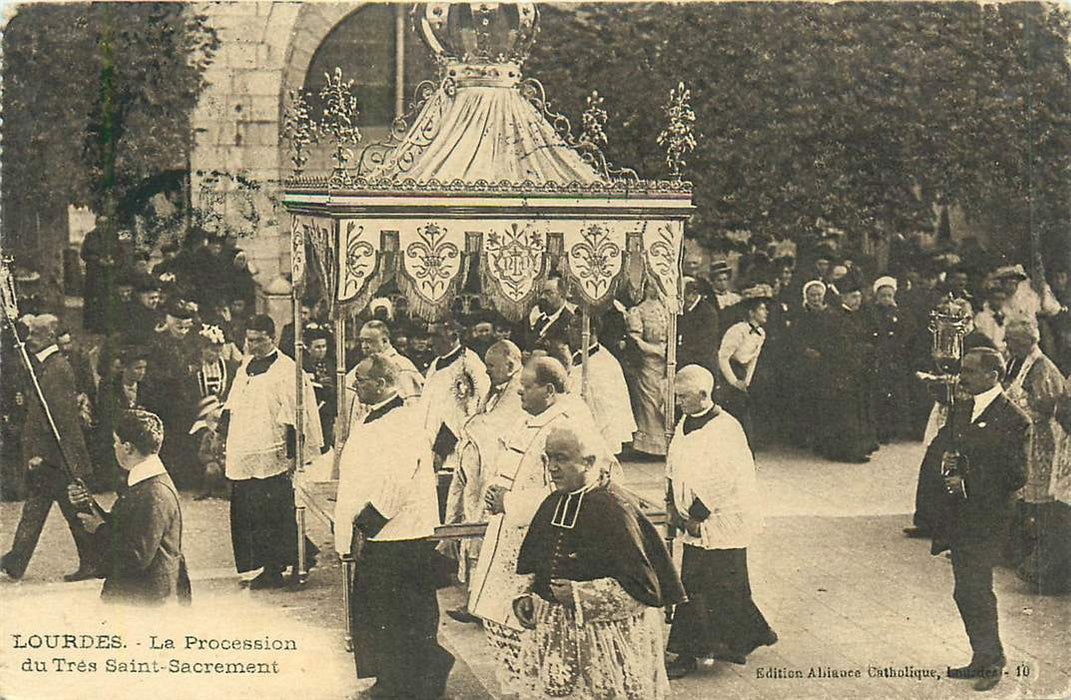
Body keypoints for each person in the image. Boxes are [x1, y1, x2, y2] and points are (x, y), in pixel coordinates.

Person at [468, 356, 610, 697]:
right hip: (505, 535)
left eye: (525, 388)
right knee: (501, 628)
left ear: (548, 390)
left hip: (537, 537)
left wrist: (511, 502)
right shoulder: (529, 418)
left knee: (527, 633)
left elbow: (571, 487)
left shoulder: (568, 424)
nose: (518, 393)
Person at [512, 423, 686, 700]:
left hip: (603, 638)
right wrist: (525, 594)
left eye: (562, 458)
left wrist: (581, 595)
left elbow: (642, 590)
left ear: (590, 461)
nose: (552, 467)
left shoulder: (615, 508)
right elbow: (534, 561)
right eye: (549, 458)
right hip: (554, 631)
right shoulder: (553, 502)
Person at [333, 355, 453, 699]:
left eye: (362, 380)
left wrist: (367, 523)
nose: (356, 386)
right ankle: (391, 680)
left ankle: (422, 676)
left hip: (400, 532)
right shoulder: (373, 417)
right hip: (382, 532)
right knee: (380, 611)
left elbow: (398, 480)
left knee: (405, 613)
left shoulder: (403, 421)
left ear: (384, 384)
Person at [919, 347, 1030, 691]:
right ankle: (982, 657)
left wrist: (967, 481)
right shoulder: (964, 406)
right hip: (961, 514)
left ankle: (991, 661)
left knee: (973, 589)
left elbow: (1016, 475)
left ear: (992, 376)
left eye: (968, 371)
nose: (961, 376)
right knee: (967, 590)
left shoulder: (1014, 419)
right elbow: (943, 444)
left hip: (987, 516)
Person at [664, 365, 777, 678]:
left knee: (701, 583)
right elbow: (674, 465)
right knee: (723, 584)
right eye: (677, 397)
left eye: (684, 397)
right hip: (694, 517)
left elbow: (723, 479)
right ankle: (745, 635)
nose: (679, 403)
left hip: (720, 519)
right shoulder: (685, 422)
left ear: (703, 395)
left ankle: (688, 652)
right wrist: (673, 505)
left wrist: (697, 516)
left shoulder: (726, 428)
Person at [222, 314, 323, 589]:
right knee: (247, 512)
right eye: (249, 340)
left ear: (272, 337)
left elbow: (294, 417)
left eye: (258, 340)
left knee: (273, 512)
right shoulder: (246, 367)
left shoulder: (286, 371)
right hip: (244, 451)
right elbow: (232, 405)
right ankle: (264, 567)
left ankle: (287, 563)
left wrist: (292, 455)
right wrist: (222, 435)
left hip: (273, 452)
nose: (252, 345)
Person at [1, 314, 100, 582]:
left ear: (48, 336)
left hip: (57, 458)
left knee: (68, 511)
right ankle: (16, 562)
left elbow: (56, 419)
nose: (29, 338)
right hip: (57, 458)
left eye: (33, 333)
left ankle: (93, 561)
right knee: (42, 509)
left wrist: (39, 454)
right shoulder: (49, 366)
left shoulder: (56, 370)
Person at [67, 409, 191, 606]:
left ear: (127, 448)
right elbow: (128, 529)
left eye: (115, 442)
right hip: (147, 595)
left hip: (146, 603)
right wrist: (89, 504)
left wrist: (99, 529)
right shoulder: (148, 482)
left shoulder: (153, 492)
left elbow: (135, 557)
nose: (113, 447)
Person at [443, 340, 527, 624]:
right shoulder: (496, 387)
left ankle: (483, 603)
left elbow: (496, 427)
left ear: (511, 365)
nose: (487, 372)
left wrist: (470, 430)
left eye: (491, 366)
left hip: (499, 475)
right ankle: (475, 598)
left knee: (488, 537)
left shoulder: (518, 392)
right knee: (474, 534)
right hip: (478, 469)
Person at [1001, 321, 1069, 590]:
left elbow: (1047, 408)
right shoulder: (1016, 362)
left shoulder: (1042, 368)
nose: (1007, 346)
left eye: (1012, 341)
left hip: (1041, 440)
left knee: (1039, 499)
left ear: (1027, 342)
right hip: (1023, 436)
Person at [816, 277, 878, 462]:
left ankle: (857, 447)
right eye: (853, 297)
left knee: (855, 408)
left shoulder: (857, 315)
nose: (857, 301)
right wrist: (861, 349)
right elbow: (837, 345)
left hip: (855, 368)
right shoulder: (836, 317)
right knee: (845, 411)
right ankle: (846, 451)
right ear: (843, 297)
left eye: (859, 297)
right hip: (841, 369)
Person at [421, 320, 490, 478]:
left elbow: (466, 413)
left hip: (450, 455)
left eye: (435, 336)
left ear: (453, 335)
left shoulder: (468, 365)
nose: (430, 342)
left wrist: (440, 451)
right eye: (428, 336)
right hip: (428, 448)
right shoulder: (436, 363)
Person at [566, 322, 637, 455]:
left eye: (575, 327)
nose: (569, 331)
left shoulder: (605, 363)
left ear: (590, 331)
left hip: (600, 430)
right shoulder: (577, 356)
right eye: (569, 326)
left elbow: (607, 409)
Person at [716, 283, 773, 449]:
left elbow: (753, 359)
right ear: (751, 313)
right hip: (727, 372)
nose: (766, 312)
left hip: (742, 374)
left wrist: (746, 381)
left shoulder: (761, 333)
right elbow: (722, 357)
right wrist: (733, 381)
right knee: (731, 412)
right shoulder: (737, 330)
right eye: (762, 309)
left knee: (744, 409)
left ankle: (745, 449)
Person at [866, 276, 913, 443]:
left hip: (895, 356)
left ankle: (893, 428)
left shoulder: (899, 313)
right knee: (879, 393)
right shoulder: (871, 312)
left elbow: (906, 332)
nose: (886, 299)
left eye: (889, 295)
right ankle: (879, 429)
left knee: (895, 393)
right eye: (883, 295)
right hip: (879, 356)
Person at [625, 284, 670, 455]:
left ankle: (665, 444)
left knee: (664, 398)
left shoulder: (667, 308)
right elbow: (635, 339)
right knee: (650, 401)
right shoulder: (638, 311)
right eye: (652, 285)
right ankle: (650, 447)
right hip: (649, 362)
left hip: (667, 362)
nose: (656, 289)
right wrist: (656, 350)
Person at [677, 276, 719, 377]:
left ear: (692, 295)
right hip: (686, 363)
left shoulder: (707, 313)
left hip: (702, 366)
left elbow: (703, 344)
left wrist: (678, 355)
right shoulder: (684, 310)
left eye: (680, 296)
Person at [520, 276, 575, 353]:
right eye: (542, 293)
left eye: (548, 293)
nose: (543, 297)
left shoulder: (571, 322)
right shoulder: (540, 321)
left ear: (562, 295)